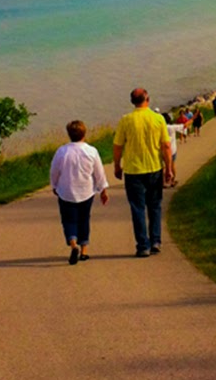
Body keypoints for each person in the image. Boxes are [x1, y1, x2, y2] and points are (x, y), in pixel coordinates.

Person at [113, 88, 174, 258]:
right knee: (155, 206)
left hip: (133, 170)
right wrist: (168, 168)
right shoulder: (158, 119)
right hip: (154, 168)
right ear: (147, 99)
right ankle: (155, 240)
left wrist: (117, 166)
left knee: (137, 208)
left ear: (132, 101)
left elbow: (118, 146)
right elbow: (166, 146)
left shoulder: (126, 120)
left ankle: (143, 245)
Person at [50, 120, 109, 265]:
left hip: (66, 191)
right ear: (84, 133)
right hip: (86, 191)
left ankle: (73, 242)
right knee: (84, 219)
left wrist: (54, 185)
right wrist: (103, 189)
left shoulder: (62, 151)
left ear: (69, 134)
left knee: (68, 220)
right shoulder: (91, 151)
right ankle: (84, 251)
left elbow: (54, 171)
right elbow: (99, 172)